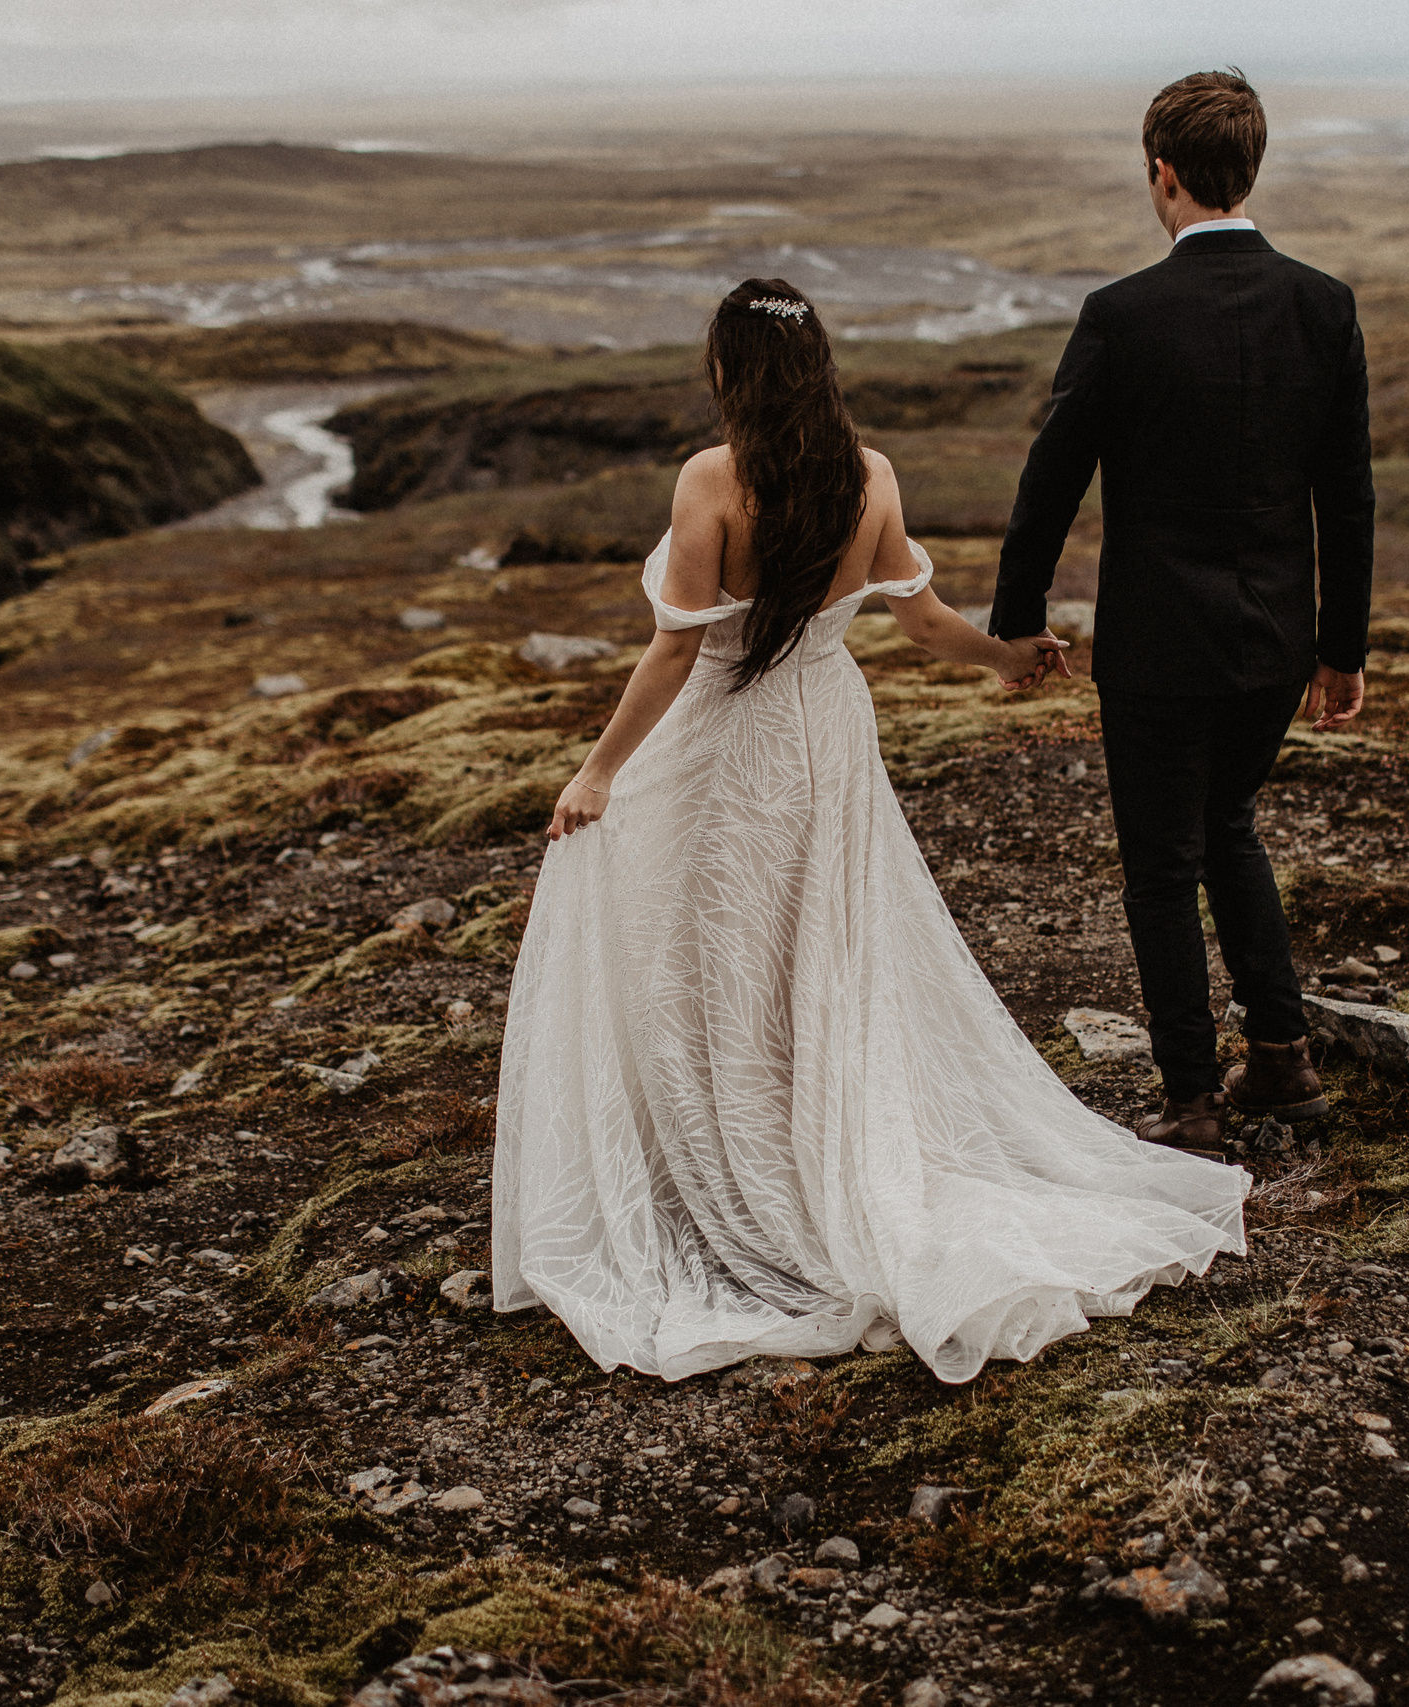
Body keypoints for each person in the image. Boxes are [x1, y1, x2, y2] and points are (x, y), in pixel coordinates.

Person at [491, 278, 1251, 1385]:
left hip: (731, 739)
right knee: (821, 941)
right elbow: (922, 621)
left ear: (731, 372)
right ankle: (810, 1128)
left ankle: (738, 1148)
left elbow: (674, 651)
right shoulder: (871, 475)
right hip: (825, 731)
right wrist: (1008, 656)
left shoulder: (711, 479)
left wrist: (599, 770)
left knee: (715, 941)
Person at [989, 68, 1375, 1155]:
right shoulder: (1323, 304)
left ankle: (1191, 1100)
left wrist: (1016, 623)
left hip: (1160, 645)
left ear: (1161, 173)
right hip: (1272, 643)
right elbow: (1345, 495)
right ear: (1249, 167)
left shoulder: (1121, 315)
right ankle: (1285, 1060)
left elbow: (1049, 481)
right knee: (1228, 826)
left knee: (1163, 861)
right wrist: (1339, 650)